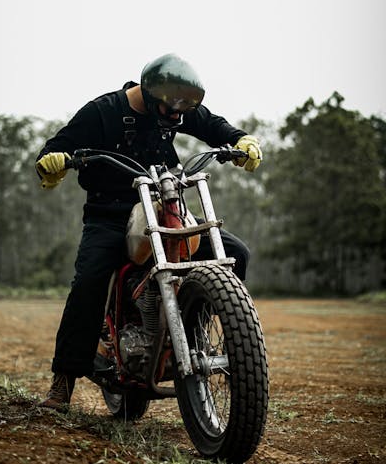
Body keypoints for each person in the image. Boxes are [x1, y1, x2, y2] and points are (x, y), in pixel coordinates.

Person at [36, 53, 262, 410]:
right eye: (172, 112)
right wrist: (53, 162)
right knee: (89, 279)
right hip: (111, 212)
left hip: (163, 204)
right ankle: (63, 380)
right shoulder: (102, 112)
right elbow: (56, 147)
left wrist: (241, 140)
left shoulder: (174, 106)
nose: (177, 119)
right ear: (150, 95)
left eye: (182, 113)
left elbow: (213, 125)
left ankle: (195, 329)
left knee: (236, 253)